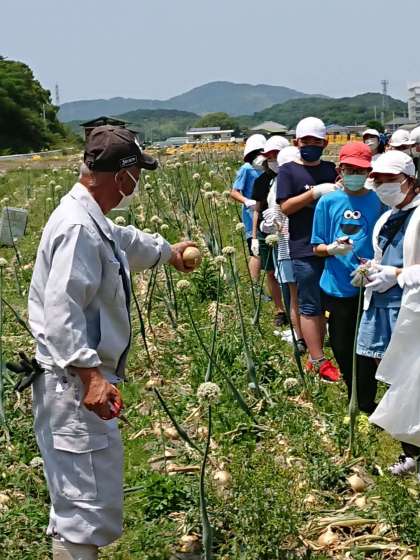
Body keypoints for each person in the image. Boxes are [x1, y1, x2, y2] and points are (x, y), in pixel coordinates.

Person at [28, 125, 197, 560]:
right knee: (82, 510)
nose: (137, 183)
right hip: (72, 383)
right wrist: (91, 377)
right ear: (122, 176)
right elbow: (61, 310)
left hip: (75, 381)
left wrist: (168, 252)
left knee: (86, 498)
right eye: (136, 174)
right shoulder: (77, 228)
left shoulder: (90, 219)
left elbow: (124, 241)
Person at [351, 151, 420, 474]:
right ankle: (410, 446)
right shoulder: (387, 217)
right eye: (377, 179)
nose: (381, 185)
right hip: (382, 305)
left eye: (389, 179)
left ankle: (413, 450)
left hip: (409, 308)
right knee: (392, 376)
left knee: (411, 376)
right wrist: (372, 271)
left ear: (409, 180)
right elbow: (382, 258)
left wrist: (396, 274)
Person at [311, 142, 382, 411]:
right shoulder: (327, 202)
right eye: (349, 169)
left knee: (365, 346)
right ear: (340, 170)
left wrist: (374, 265)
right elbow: (316, 247)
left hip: (368, 286)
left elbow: (383, 241)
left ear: (368, 172)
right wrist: (331, 249)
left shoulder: (377, 201)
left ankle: (365, 401)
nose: (354, 174)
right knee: (342, 346)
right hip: (336, 286)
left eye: (360, 170)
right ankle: (353, 392)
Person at [276, 117, 340, 382]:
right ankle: (318, 359)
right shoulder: (289, 171)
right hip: (304, 246)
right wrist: (313, 194)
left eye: (316, 141)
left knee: (333, 302)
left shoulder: (331, 169)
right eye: (305, 141)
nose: (310, 145)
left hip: (333, 246)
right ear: (296, 142)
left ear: (325, 143)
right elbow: (285, 207)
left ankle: (331, 351)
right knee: (310, 303)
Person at [260, 146, 305, 350]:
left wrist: (267, 225)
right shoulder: (299, 182)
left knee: (295, 296)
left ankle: (301, 337)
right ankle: (304, 335)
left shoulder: (279, 184)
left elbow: (274, 219)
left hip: (288, 247)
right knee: (303, 296)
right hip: (298, 246)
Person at [251, 135, 289, 325]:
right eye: (270, 157)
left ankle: (294, 307)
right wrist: (254, 237)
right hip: (267, 232)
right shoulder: (262, 181)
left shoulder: (292, 177)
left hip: (287, 231)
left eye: (277, 155)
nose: (273, 160)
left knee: (289, 274)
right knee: (271, 272)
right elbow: (257, 210)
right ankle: (280, 310)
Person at [230, 134, 266, 286]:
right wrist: (246, 201)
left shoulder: (269, 167)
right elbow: (234, 192)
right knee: (255, 251)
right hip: (251, 216)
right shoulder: (246, 169)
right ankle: (255, 286)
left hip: (269, 214)